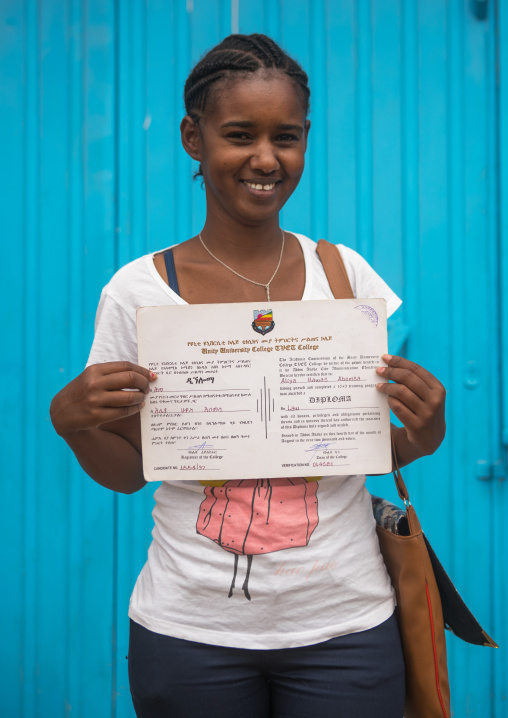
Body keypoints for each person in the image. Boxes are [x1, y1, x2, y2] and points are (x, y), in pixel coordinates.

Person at [50, 34, 446, 718]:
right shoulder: (139, 293)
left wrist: (429, 428)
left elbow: (369, 447)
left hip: (346, 628)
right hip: (189, 630)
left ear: (305, 140)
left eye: (285, 137)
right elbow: (128, 469)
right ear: (192, 139)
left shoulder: (344, 277)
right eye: (239, 134)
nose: (265, 158)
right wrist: (72, 425)